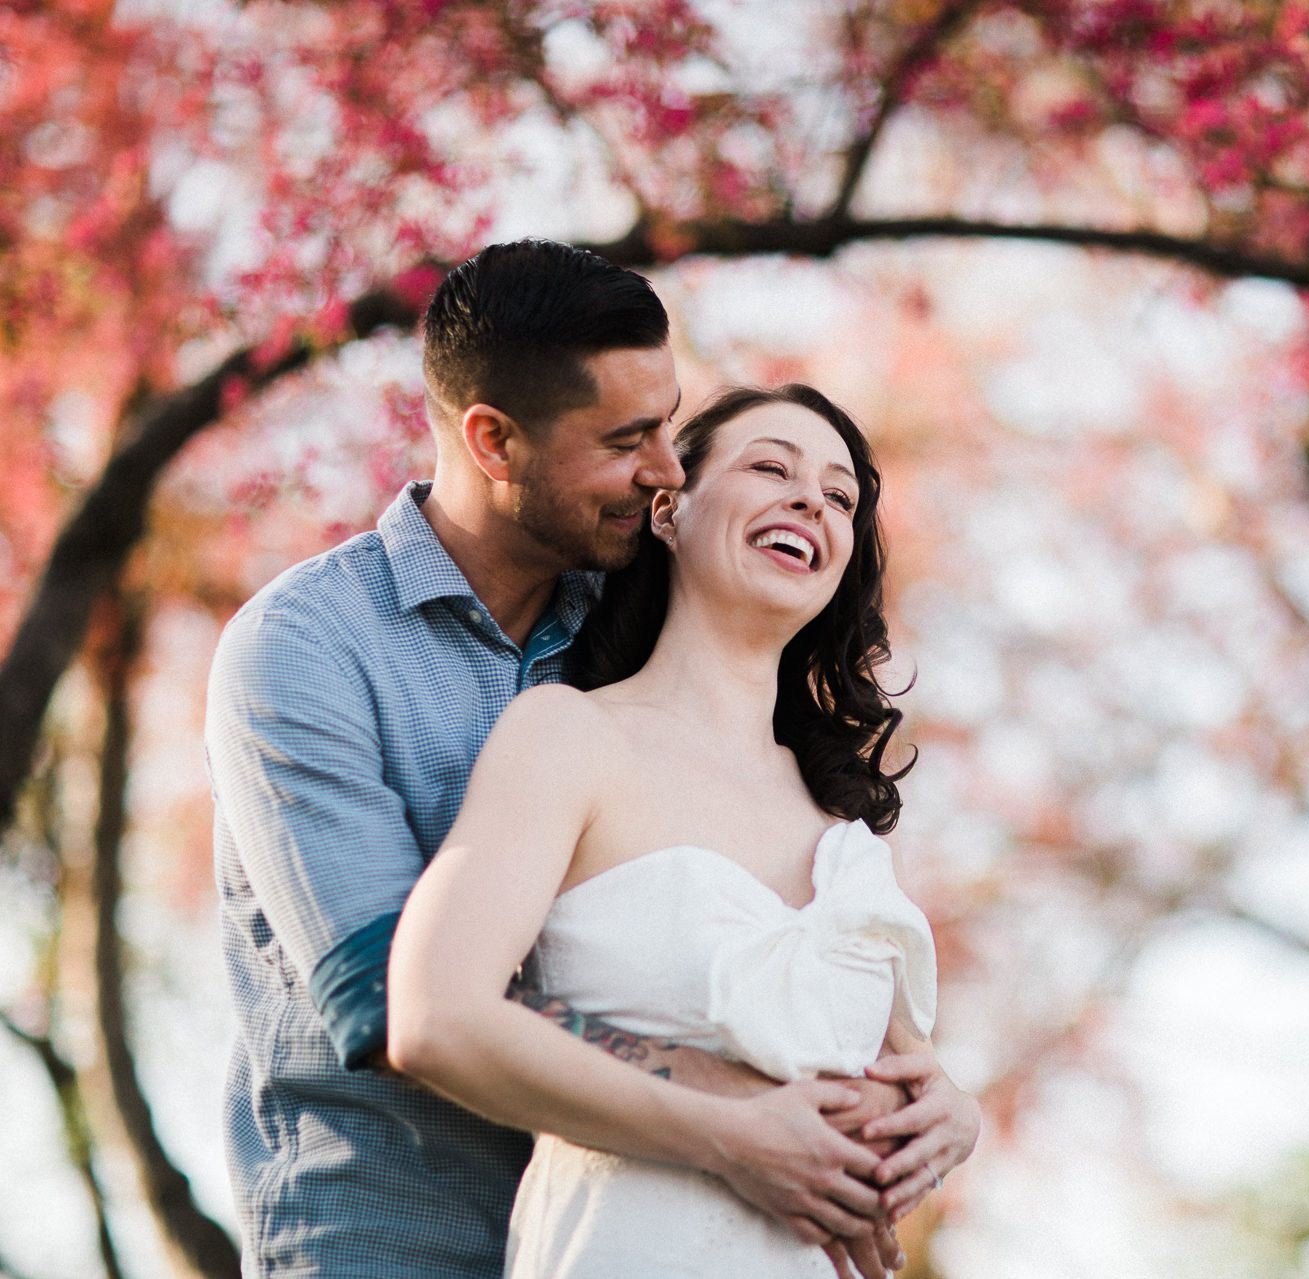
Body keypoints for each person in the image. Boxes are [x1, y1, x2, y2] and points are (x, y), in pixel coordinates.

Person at [205, 241, 945, 1278]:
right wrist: (746, 1104)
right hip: (390, 1234)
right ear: (495, 440)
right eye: (628, 438)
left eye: (670, 424)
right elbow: (393, 1000)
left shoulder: (635, 620)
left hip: (649, 1220)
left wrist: (914, 1095)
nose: (665, 468)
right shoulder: (307, 648)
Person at [387, 382, 981, 1277]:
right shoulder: (569, 735)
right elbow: (436, 1017)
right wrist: (728, 1137)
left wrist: (951, 1115)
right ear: (667, 510)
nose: (810, 499)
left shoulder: (849, 827)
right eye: (770, 467)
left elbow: (898, 1082)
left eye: (840, 495)